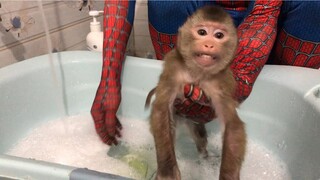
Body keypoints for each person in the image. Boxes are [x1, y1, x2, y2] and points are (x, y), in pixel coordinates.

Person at [91, 1, 320, 145]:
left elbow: (264, 11)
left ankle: (279, 118)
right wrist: (109, 79)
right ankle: (181, 111)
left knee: (312, 5)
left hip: (265, 15)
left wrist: (235, 82)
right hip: (196, 13)